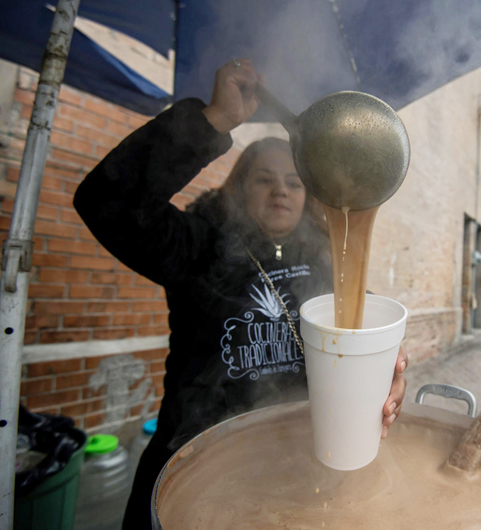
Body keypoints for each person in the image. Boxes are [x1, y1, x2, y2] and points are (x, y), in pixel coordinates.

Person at [74, 59, 408, 529]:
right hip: (196, 459)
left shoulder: (327, 261)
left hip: (303, 458)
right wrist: (214, 119)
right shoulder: (197, 245)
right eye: (264, 178)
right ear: (238, 187)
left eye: (294, 182)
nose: (281, 192)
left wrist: (386, 373)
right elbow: (106, 204)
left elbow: (366, 338)